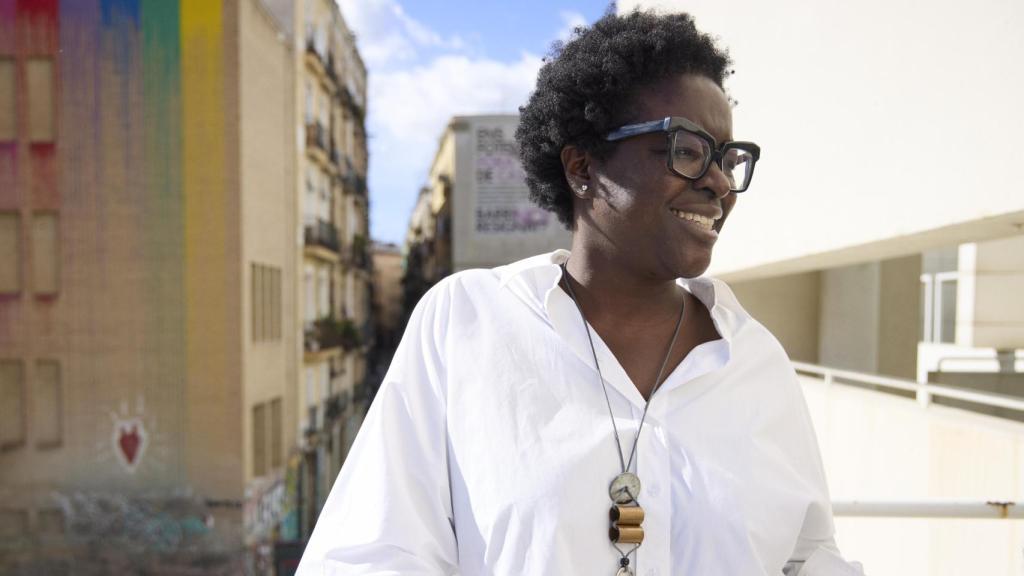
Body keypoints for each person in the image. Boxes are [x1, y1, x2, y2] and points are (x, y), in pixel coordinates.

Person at [297, 10, 864, 576]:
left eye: (727, 158)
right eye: (686, 150)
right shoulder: (467, 323)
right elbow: (370, 557)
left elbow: (807, 557)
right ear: (582, 167)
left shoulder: (754, 360)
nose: (718, 182)